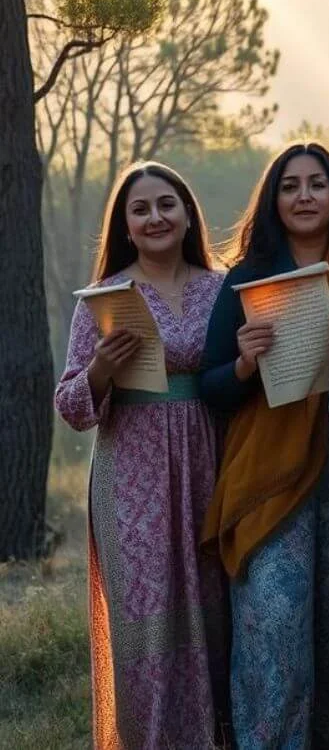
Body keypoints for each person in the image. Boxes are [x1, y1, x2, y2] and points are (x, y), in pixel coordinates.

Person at [199, 143, 329, 750]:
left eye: (317, 184)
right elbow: (211, 387)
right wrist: (244, 364)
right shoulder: (247, 278)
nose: (304, 196)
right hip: (270, 475)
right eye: (290, 186)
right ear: (272, 199)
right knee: (274, 632)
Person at [54, 162, 229, 749]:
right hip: (132, 477)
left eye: (166, 204)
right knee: (149, 626)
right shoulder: (102, 300)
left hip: (209, 464)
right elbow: (72, 406)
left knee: (213, 615)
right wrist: (100, 369)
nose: (155, 217)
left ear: (187, 215)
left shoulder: (221, 290)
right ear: (125, 226)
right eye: (140, 209)